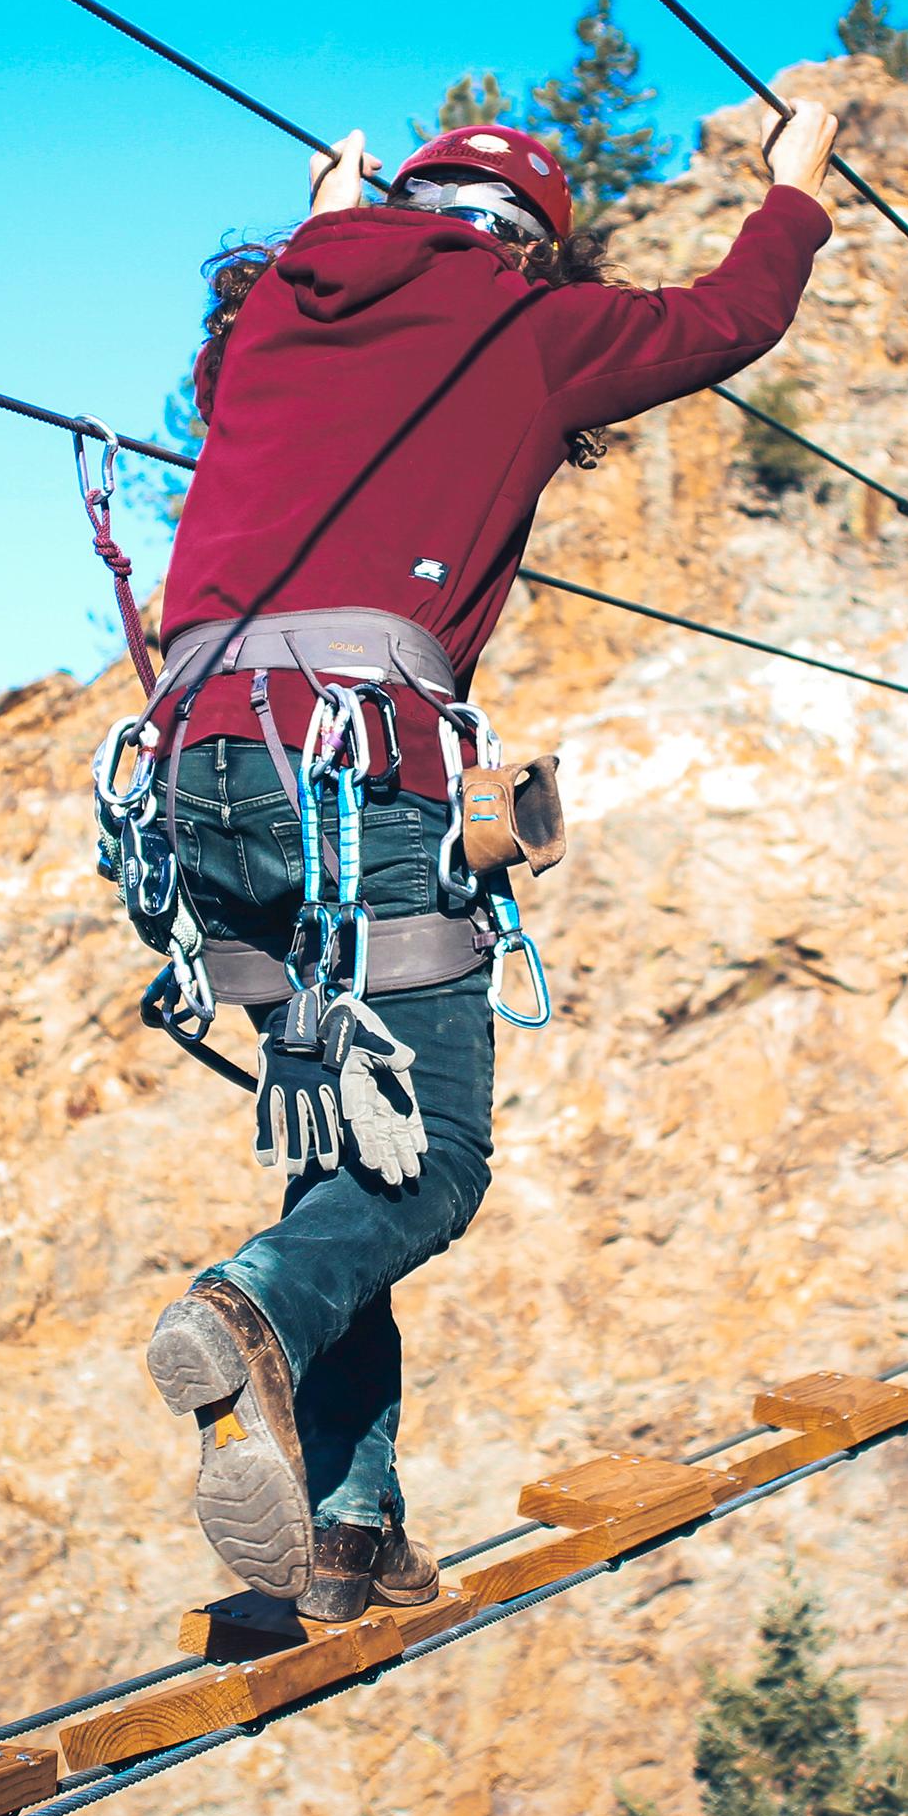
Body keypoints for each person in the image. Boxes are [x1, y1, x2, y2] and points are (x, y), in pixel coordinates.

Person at [129, 98, 841, 1620]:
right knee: (434, 1163)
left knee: (349, 1152)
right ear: (530, 247)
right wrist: (795, 188)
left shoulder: (269, 322)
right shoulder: (523, 324)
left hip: (199, 779)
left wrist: (329, 217)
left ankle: (352, 1524)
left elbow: (324, 302)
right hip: (358, 772)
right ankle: (247, 1311)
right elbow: (733, 316)